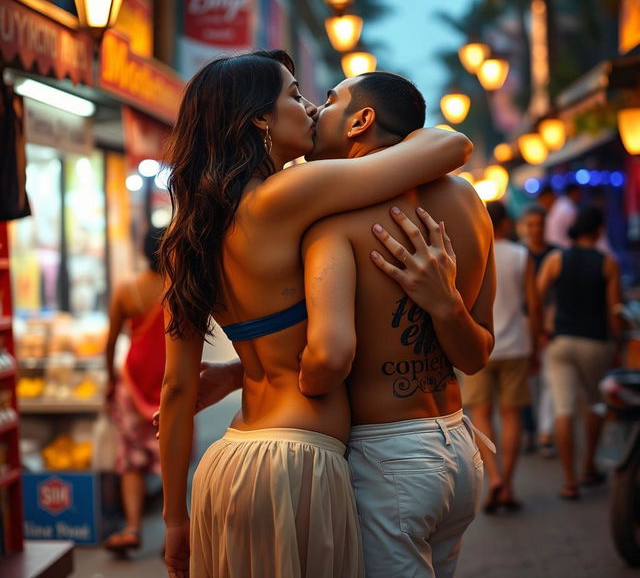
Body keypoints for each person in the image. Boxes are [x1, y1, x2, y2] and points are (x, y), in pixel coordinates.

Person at [168, 71, 495, 577]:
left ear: (361, 121)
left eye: (325, 100)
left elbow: (328, 354)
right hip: (459, 445)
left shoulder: (327, 217)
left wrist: (273, 375)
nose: (314, 110)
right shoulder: (470, 204)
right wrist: (446, 305)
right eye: (299, 97)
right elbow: (475, 358)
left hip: (386, 459)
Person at [460, 201, 540, 513]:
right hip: (516, 346)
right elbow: (532, 308)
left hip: (480, 346)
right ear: (507, 224)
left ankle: (493, 476)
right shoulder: (523, 256)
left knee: (481, 413)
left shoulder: (472, 254)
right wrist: (534, 347)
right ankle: (508, 484)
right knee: (511, 416)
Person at [537, 205, 622, 500]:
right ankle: (588, 467)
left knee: (563, 409)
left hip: (560, 342)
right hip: (595, 342)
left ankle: (569, 481)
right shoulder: (608, 263)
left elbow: (537, 295)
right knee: (595, 404)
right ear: (599, 231)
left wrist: (540, 330)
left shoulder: (555, 258)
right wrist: (619, 344)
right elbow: (613, 313)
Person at [103, 226, 166, 553]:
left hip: (132, 383)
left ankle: (132, 528)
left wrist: (108, 382)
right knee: (173, 456)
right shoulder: (179, 289)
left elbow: (111, 342)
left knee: (131, 460)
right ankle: (175, 531)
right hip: (172, 385)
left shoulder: (127, 290)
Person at [519, 205, 557, 456]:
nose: (535, 230)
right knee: (526, 383)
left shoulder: (555, 254)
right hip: (523, 323)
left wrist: (548, 322)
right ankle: (528, 431)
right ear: (524, 226)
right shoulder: (518, 253)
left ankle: (545, 434)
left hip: (552, 325)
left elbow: (559, 295)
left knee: (549, 382)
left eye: (539, 224)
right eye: (531, 225)